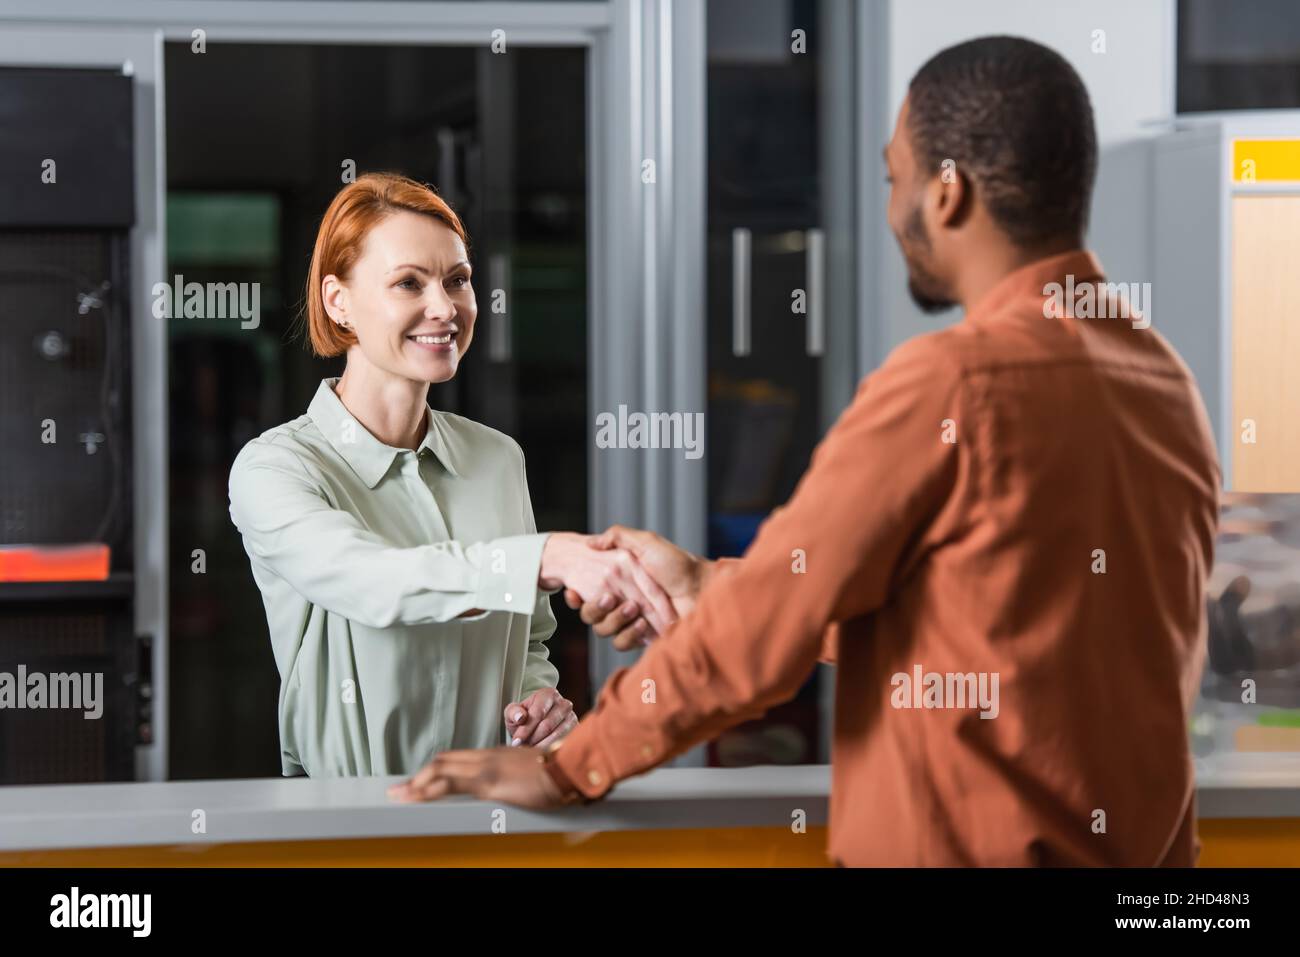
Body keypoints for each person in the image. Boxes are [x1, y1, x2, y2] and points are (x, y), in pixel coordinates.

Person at [388, 38, 1222, 867]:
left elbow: (760, 642)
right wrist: (706, 586)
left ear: (950, 191)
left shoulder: (953, 384)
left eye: (896, 179)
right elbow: (985, 640)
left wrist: (572, 766)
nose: (893, 210)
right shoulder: (1162, 385)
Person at [228, 172, 676, 777]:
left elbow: (530, 639)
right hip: (348, 827)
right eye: (408, 283)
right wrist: (546, 556)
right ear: (339, 302)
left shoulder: (496, 458)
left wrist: (539, 705)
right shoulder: (275, 469)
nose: (445, 307)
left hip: (493, 813)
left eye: (457, 280)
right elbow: (370, 581)